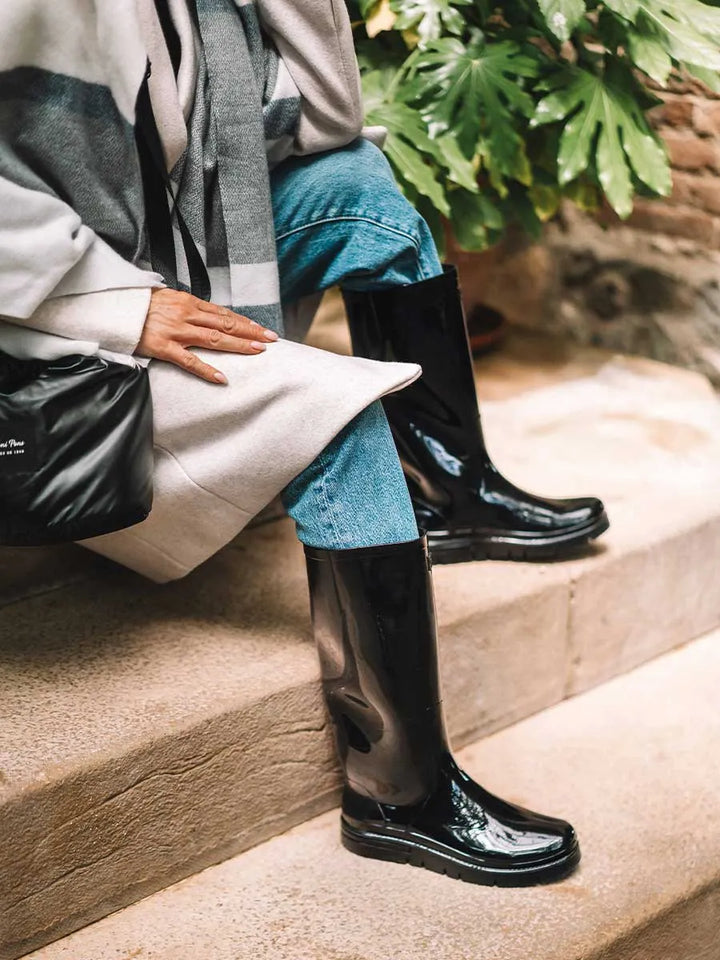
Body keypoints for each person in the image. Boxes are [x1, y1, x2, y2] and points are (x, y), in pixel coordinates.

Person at [0, 0, 592, 885]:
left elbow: (326, 117)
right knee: (336, 411)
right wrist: (118, 304)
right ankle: (401, 792)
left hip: (152, 254)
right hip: (49, 320)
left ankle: (445, 487)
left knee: (361, 188)